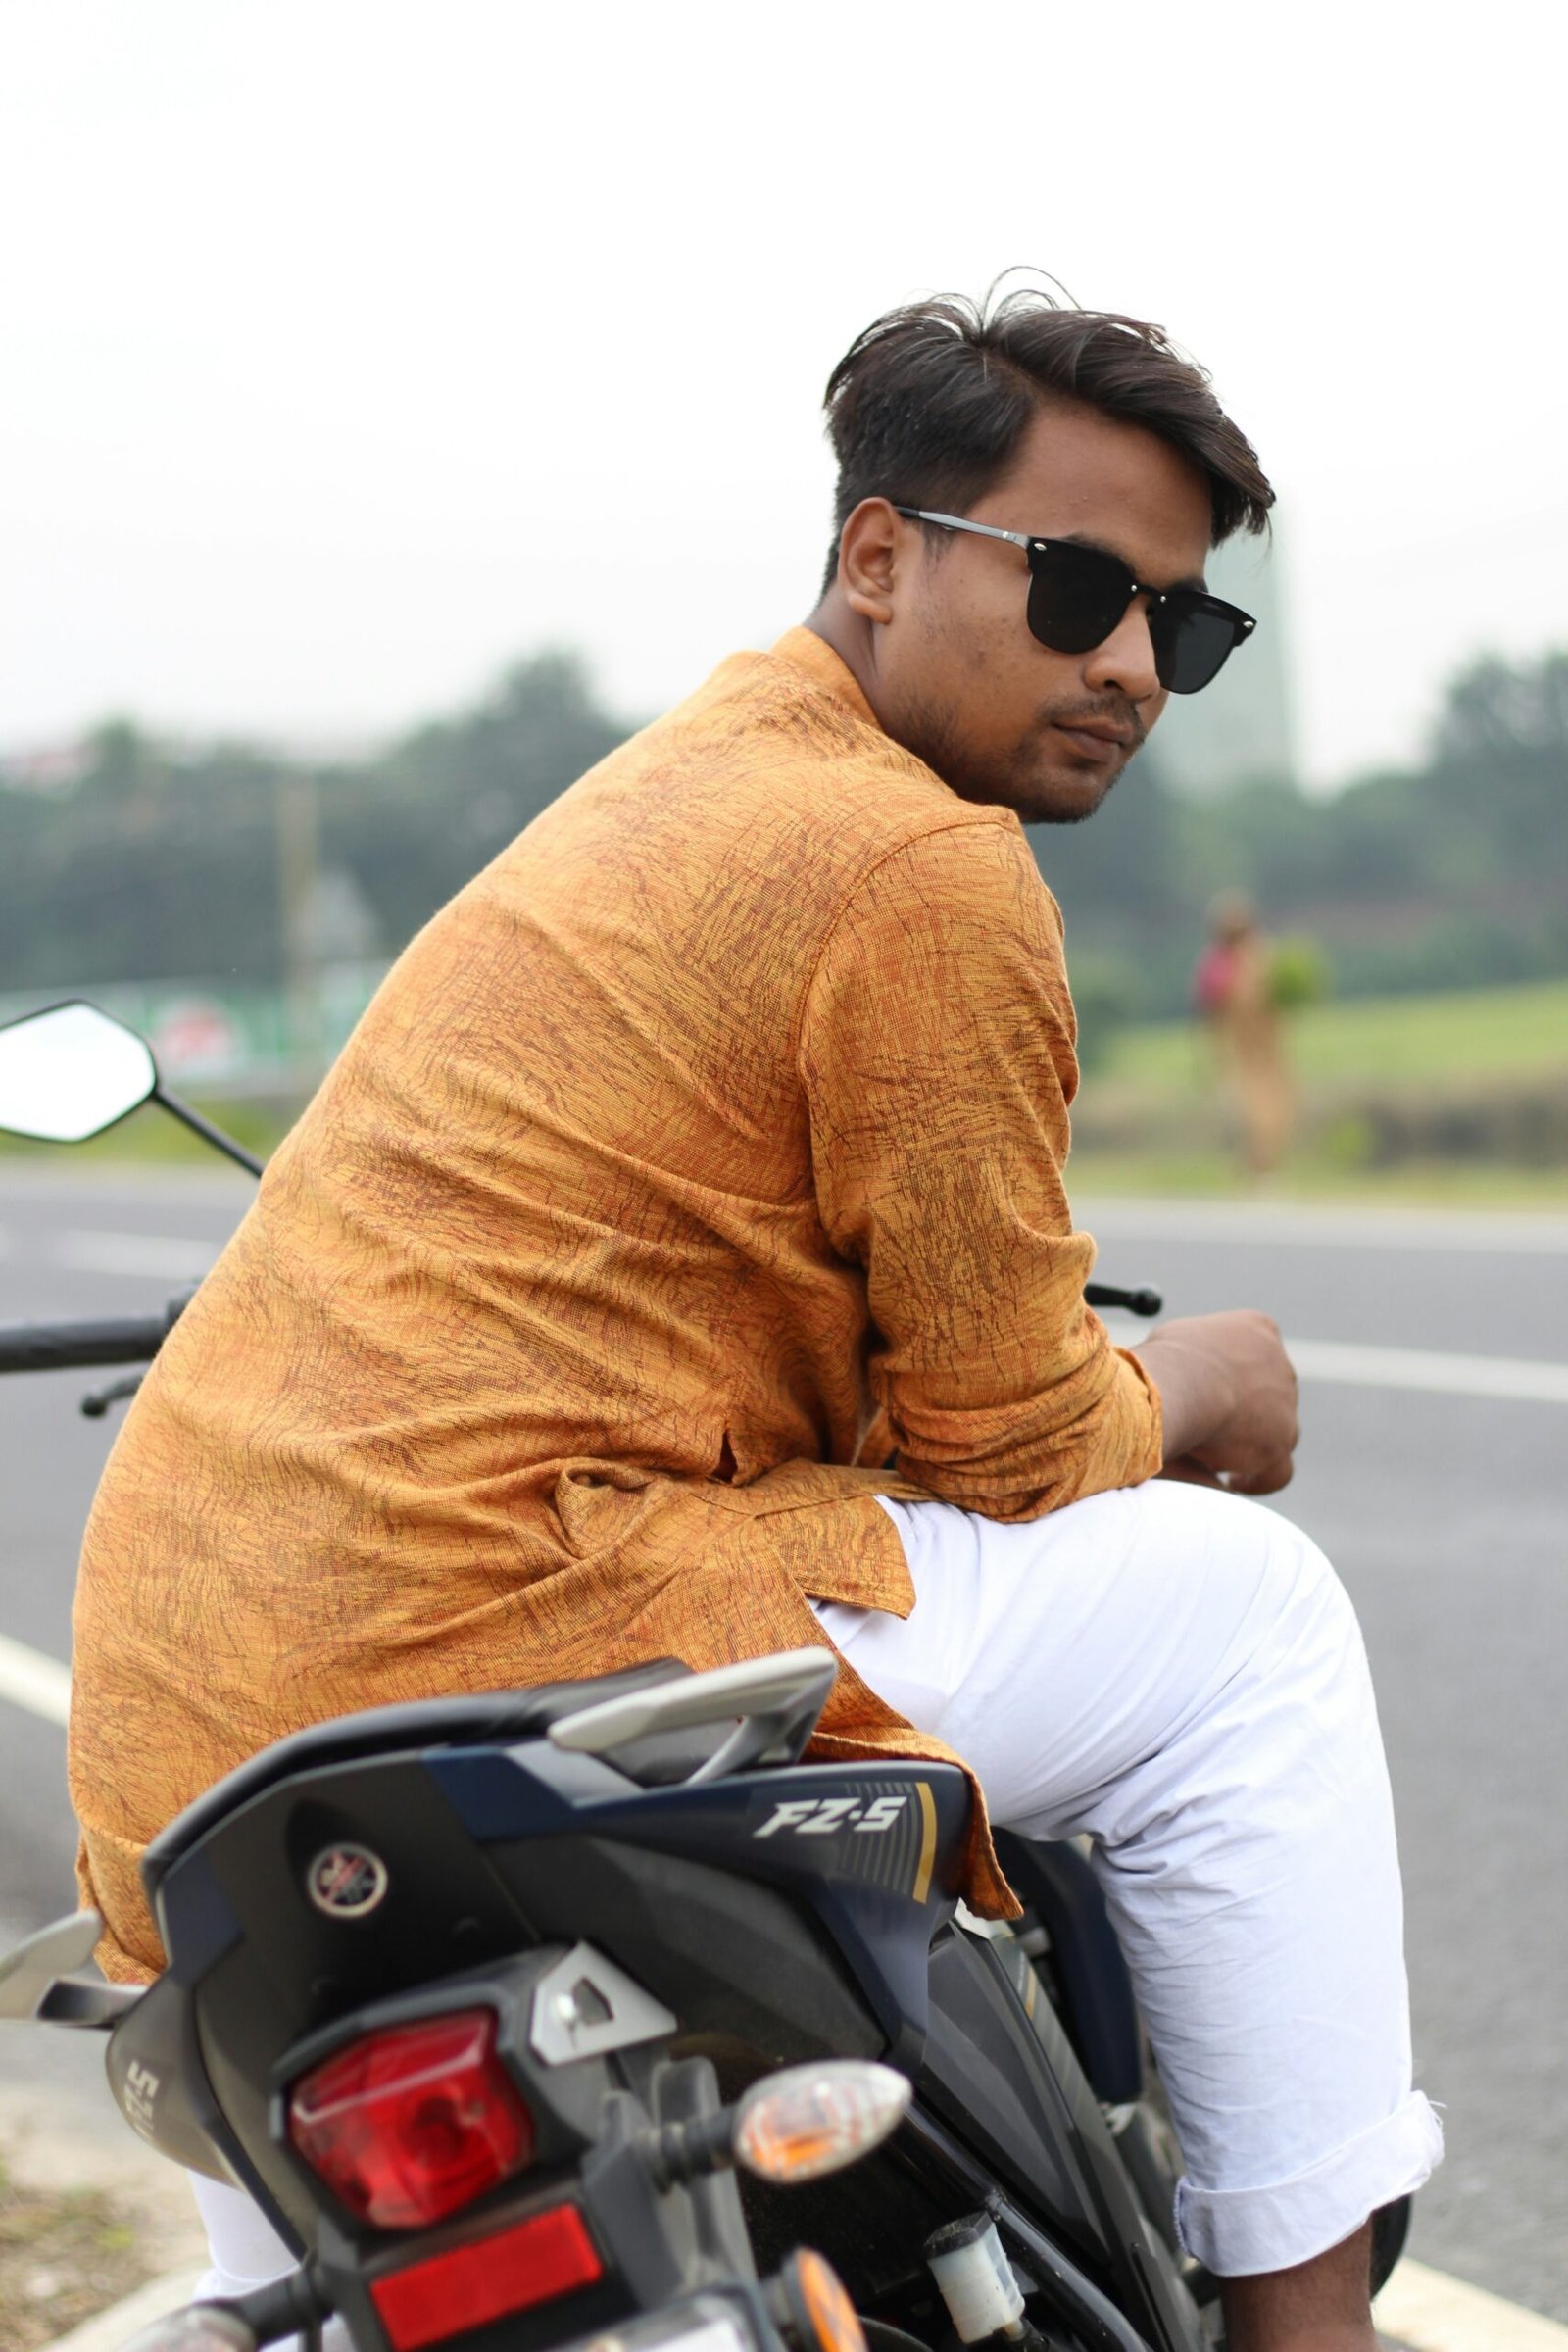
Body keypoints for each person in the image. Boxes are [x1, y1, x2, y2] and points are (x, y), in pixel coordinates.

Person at [71, 286, 1440, 2352]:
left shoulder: (659, 792)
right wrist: (1191, 1387)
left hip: (188, 1740)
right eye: (1078, 586)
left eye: (1186, 625)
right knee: (1249, 1623)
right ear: (876, 556)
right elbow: (1006, 1432)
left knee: (291, 2281)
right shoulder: (919, 864)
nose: (1132, 667)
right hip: (526, 1626)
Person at [1194, 892, 1297, 1175]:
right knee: (1262, 1105)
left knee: (1262, 1104)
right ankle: (1261, 1162)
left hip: (1255, 1047)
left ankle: (1263, 1162)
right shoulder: (1258, 957)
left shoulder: (1226, 962)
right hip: (1251, 1047)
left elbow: (1209, 1009)